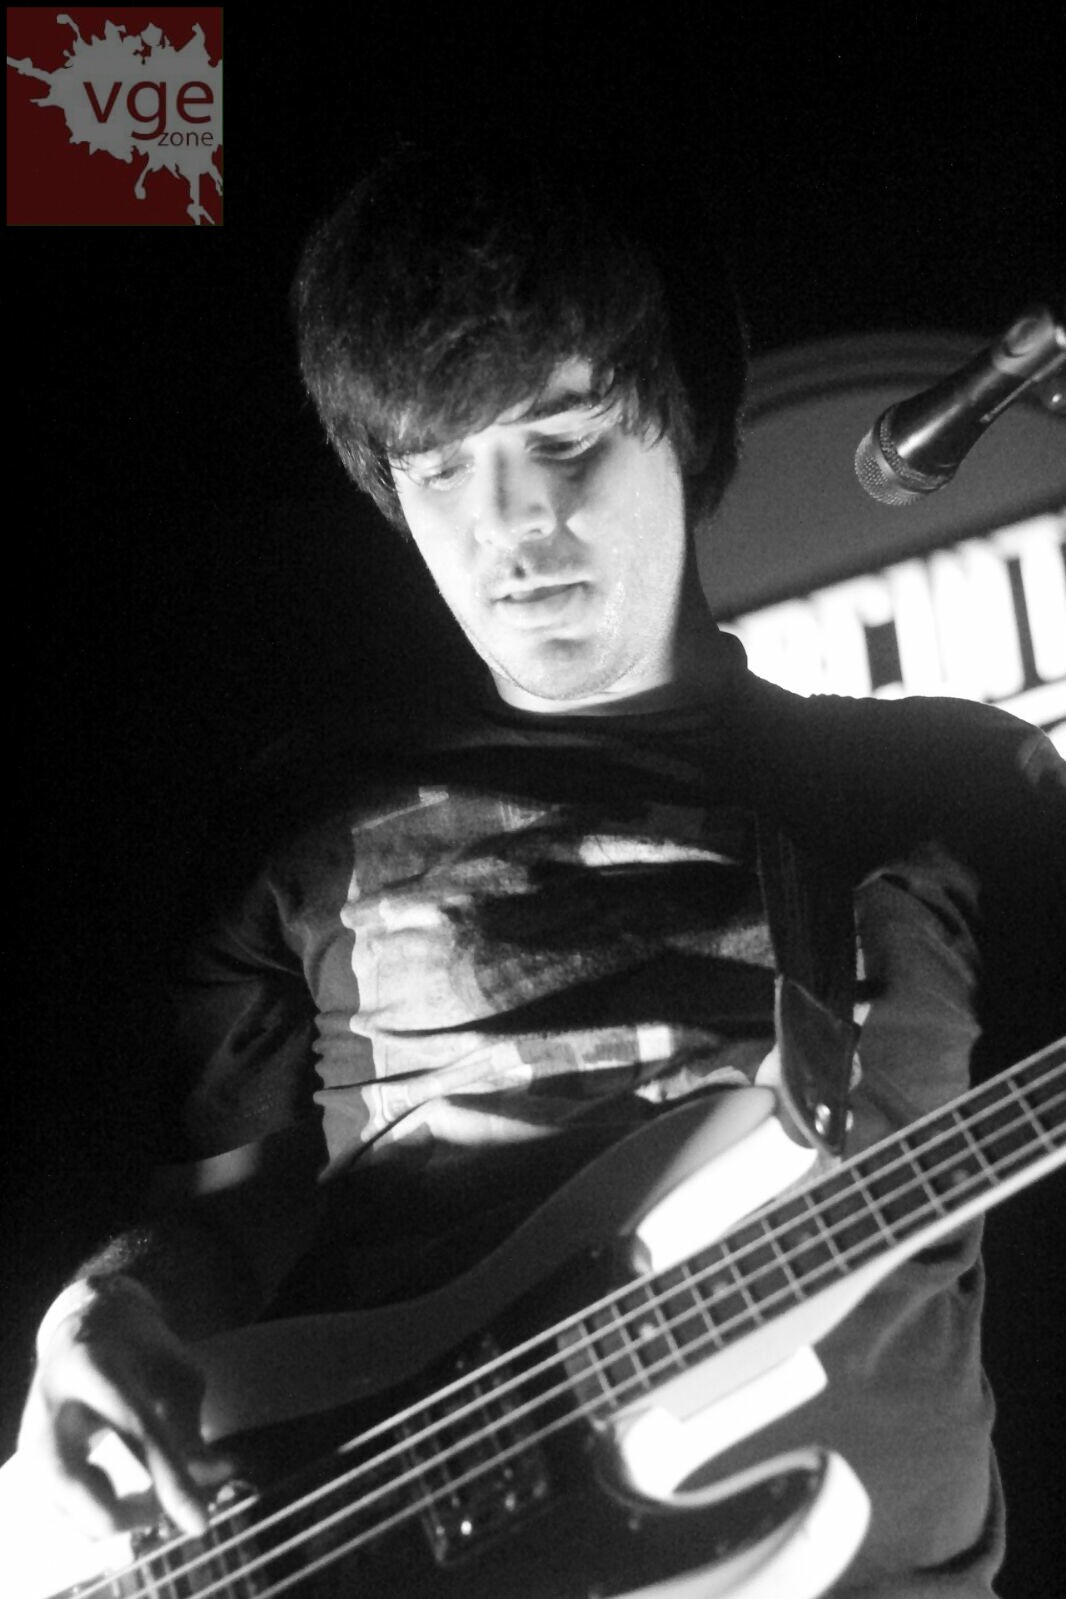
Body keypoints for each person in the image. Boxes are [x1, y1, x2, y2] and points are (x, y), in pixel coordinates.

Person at [14, 137, 1066, 1597]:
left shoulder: (949, 791)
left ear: (680, 417)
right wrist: (101, 1312)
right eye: (440, 470)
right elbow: (226, 1223)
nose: (509, 525)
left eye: (563, 438)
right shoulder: (306, 829)